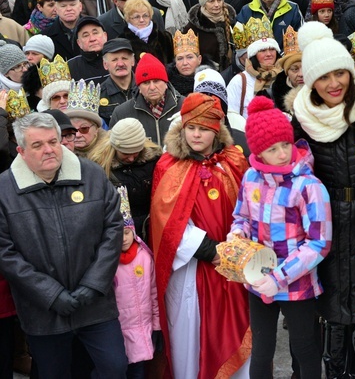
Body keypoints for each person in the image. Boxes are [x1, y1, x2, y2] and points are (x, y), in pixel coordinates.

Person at [288, 21, 355, 378]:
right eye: (323, 77)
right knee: (331, 304)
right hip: (325, 222)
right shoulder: (301, 118)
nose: (334, 84)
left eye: (340, 73)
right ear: (311, 82)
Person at [0, 112, 127, 378]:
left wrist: (93, 284)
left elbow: (113, 228)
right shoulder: (4, 190)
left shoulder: (91, 174)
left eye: (53, 142)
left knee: (114, 368)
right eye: (38, 145)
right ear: (21, 151)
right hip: (43, 312)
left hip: (95, 305)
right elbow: (5, 252)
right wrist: (51, 294)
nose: (48, 150)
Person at [229, 95, 332, 379]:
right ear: (259, 152)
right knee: (261, 348)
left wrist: (280, 277)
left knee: (303, 347)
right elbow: (242, 217)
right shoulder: (250, 178)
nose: (283, 153)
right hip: (257, 277)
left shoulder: (308, 186)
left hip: (297, 281)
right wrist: (238, 236)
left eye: (286, 144)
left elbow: (319, 242)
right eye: (273, 149)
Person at [150, 93, 250, 378]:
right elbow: (166, 221)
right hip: (191, 270)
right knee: (189, 338)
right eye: (191, 127)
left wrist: (235, 249)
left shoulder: (232, 161)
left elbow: (248, 207)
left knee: (235, 330)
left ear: (216, 130)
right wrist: (210, 251)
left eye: (204, 129)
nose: (196, 134)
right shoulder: (168, 166)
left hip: (232, 264)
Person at [113, 188, 160, 379]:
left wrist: (156, 325)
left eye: (126, 232)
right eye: (117, 233)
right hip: (117, 330)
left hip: (142, 328)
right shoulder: (108, 262)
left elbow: (154, 292)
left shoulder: (144, 257)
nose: (123, 239)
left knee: (138, 373)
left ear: (132, 230)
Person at [89, 118, 162, 238]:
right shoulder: (99, 166)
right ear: (115, 149)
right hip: (120, 233)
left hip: (151, 229)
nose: (131, 159)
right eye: (125, 153)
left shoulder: (154, 159)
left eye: (136, 153)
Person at [109, 53, 184, 147]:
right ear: (139, 87)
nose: (152, 87)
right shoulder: (121, 113)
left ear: (165, 83)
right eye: (146, 83)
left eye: (156, 81)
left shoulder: (185, 106)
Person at [227, 16, 282, 116]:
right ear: (253, 55)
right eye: (263, 50)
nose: (269, 54)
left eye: (272, 49)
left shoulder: (285, 76)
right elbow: (231, 116)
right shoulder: (239, 81)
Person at [186, 0, 237, 71]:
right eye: (211, 1)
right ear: (204, 3)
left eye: (219, 0)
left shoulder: (233, 21)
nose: (217, 5)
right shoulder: (192, 27)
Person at [121, 0, 173, 65]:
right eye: (137, 17)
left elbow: (171, 65)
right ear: (128, 19)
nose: (141, 20)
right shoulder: (122, 41)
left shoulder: (165, 37)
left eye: (145, 16)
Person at [98, 38, 136, 128]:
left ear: (133, 61)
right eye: (114, 60)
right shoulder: (98, 94)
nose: (120, 64)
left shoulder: (145, 89)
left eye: (124, 58)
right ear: (105, 65)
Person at [68, 16, 109, 85]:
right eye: (86, 35)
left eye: (95, 33)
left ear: (105, 36)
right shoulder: (70, 67)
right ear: (79, 43)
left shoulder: (117, 59)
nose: (92, 39)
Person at [168, 30, 202, 96]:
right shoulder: (168, 87)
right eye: (180, 58)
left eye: (189, 57)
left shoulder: (209, 82)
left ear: (199, 59)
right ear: (175, 62)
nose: (185, 63)